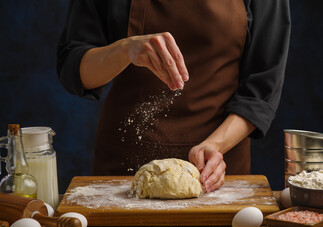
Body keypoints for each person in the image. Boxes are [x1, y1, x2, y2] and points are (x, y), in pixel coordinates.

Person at [57, 0, 291, 193]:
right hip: (123, 167)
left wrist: (215, 145)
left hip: (217, 168)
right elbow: (74, 70)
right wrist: (124, 49)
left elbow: (260, 90)